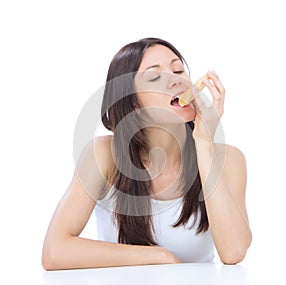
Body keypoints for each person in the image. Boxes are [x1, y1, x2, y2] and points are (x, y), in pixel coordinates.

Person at [42, 37, 252, 270]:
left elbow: (233, 252)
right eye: (155, 77)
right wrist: (160, 257)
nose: (176, 80)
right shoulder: (103, 155)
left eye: (178, 69)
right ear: (132, 101)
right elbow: (55, 251)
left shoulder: (229, 160)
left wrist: (204, 144)